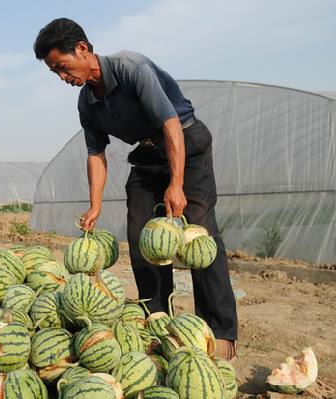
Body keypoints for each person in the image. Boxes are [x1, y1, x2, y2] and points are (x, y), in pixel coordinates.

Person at [33, 18, 238, 360]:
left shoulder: (132, 68)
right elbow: (95, 154)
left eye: (62, 67)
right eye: (55, 72)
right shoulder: (87, 102)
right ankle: (158, 320)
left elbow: (170, 124)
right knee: (143, 237)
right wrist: (95, 205)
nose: (62, 78)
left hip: (186, 143)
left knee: (200, 236)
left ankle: (221, 333)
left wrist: (176, 183)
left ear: (82, 49)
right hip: (146, 154)